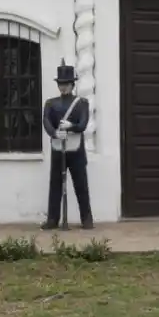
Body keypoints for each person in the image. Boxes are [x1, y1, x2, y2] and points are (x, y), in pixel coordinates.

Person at [41, 60, 94, 230]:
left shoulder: (82, 103)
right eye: (61, 84)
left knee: (81, 184)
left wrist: (71, 126)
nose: (63, 87)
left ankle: (87, 219)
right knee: (55, 184)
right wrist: (55, 132)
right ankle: (52, 219)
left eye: (66, 84)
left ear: (72, 84)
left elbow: (83, 124)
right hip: (58, 147)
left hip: (76, 148)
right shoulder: (51, 103)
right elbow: (46, 121)